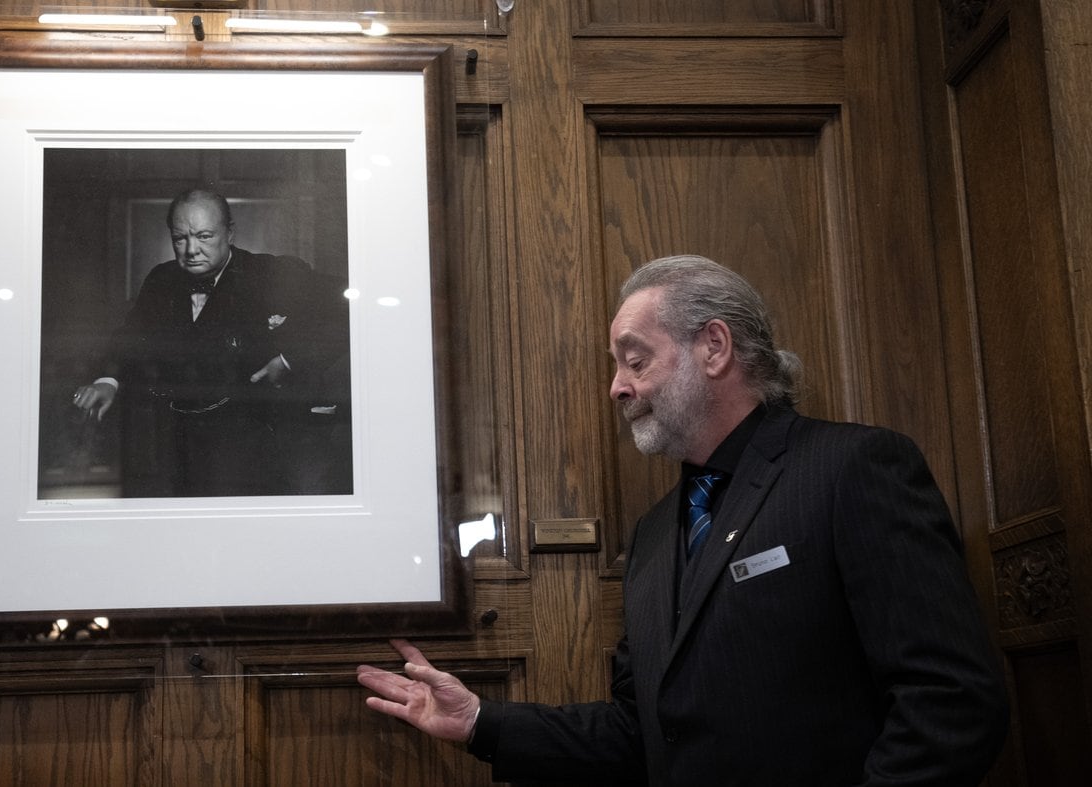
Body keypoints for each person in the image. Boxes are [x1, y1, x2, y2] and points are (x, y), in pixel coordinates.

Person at [357, 255, 1008, 785]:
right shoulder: (654, 533)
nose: (617, 386)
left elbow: (949, 701)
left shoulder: (852, 469)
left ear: (714, 347)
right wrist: (480, 721)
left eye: (634, 359)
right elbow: (641, 732)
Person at [72, 188, 351, 498]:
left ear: (229, 233)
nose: (191, 250)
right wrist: (108, 380)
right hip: (181, 439)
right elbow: (131, 335)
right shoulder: (161, 279)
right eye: (180, 238)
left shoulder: (272, 272)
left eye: (204, 236)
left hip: (262, 439)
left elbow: (349, 305)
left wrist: (289, 359)